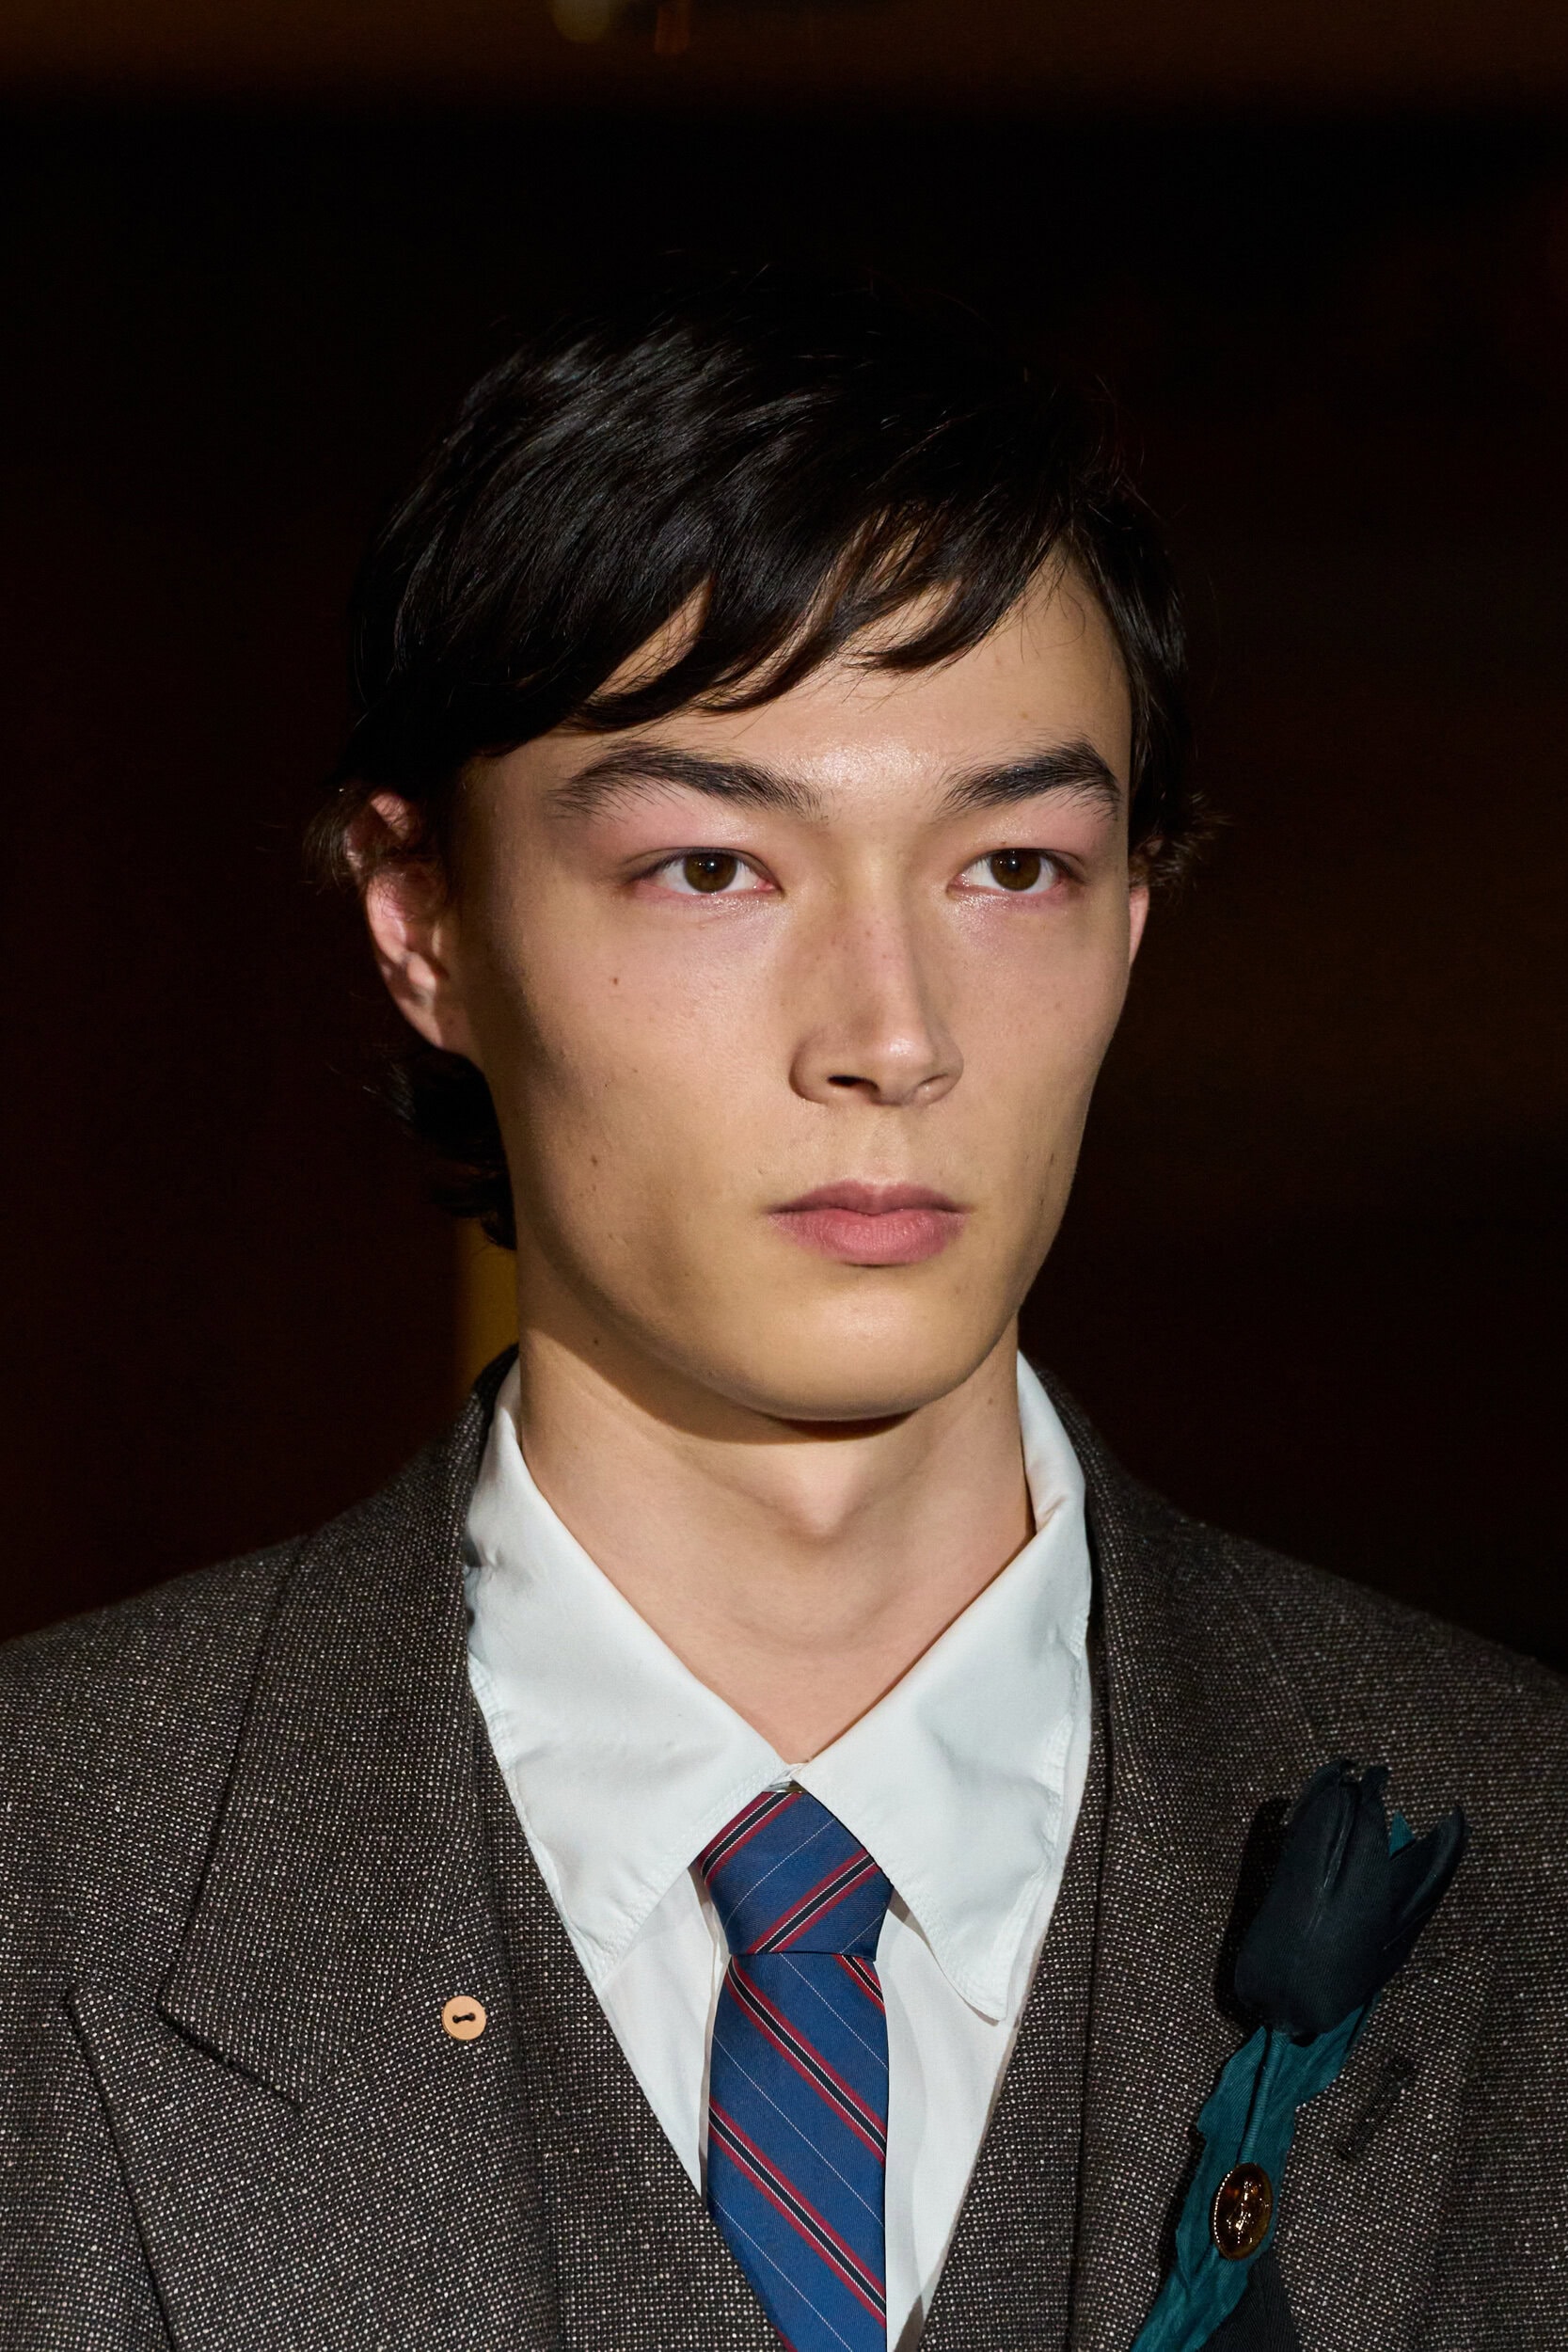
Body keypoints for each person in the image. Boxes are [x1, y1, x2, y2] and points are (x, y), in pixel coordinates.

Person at [1, 269, 1562, 2352]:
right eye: (713, 869)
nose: (891, 1034)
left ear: (1134, 915)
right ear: (424, 920)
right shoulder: (50, 1869)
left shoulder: (1529, 1858)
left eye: (1012, 866)